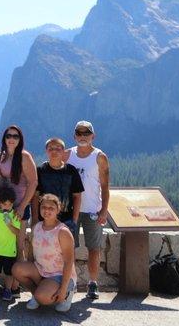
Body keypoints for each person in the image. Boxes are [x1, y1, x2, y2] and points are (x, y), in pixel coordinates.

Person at [64, 120, 110, 299]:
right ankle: (71, 281)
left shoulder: (100, 157)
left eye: (86, 133)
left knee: (94, 248)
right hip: (70, 210)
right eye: (79, 133)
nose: (82, 136)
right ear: (74, 135)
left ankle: (92, 283)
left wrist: (104, 210)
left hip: (93, 210)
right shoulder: (67, 155)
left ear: (93, 136)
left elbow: (105, 186)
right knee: (69, 248)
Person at [12, 194, 77, 312]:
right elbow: (32, 253)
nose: (46, 210)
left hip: (58, 275)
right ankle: (36, 294)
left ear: (58, 209)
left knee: (43, 297)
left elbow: (69, 262)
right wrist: (30, 268)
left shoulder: (63, 232)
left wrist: (62, 289)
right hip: (41, 271)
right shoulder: (36, 227)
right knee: (17, 269)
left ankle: (66, 293)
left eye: (51, 208)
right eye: (43, 207)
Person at [0, 125, 38, 298]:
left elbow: (33, 183)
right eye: (8, 136)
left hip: (19, 209)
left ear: (20, 140)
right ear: (4, 138)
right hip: (4, 208)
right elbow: (0, 182)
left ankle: (15, 287)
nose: (11, 139)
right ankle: (9, 286)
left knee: (19, 248)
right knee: (5, 246)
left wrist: (21, 207)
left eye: (15, 136)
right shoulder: (0, 157)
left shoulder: (24, 157)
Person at [33, 138, 83, 241]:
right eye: (51, 148)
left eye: (58, 149)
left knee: (67, 253)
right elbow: (35, 196)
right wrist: (35, 218)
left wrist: (74, 220)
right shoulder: (40, 170)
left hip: (67, 220)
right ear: (46, 151)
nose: (54, 151)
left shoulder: (71, 171)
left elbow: (77, 196)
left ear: (64, 152)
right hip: (44, 220)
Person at [0, 185, 20, 301]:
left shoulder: (15, 215)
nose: (7, 207)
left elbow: (17, 232)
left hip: (10, 251)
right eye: (5, 204)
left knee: (9, 273)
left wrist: (9, 224)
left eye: (10, 204)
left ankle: (8, 290)